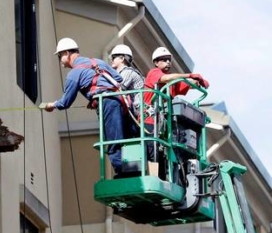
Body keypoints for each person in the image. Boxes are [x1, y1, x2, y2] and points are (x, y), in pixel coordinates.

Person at [43, 38, 128, 175]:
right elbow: (118, 79)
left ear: (66, 53)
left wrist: (52, 105)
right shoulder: (97, 62)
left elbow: (65, 102)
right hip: (119, 101)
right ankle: (131, 169)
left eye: (60, 55)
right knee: (123, 136)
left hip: (107, 103)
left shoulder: (74, 73)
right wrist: (97, 93)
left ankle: (122, 173)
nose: (60, 59)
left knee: (113, 139)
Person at [143, 46, 209, 179]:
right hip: (148, 121)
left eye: (169, 60)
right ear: (156, 62)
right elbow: (166, 79)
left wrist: (197, 82)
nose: (168, 62)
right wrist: (188, 75)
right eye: (164, 60)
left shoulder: (171, 83)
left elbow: (183, 83)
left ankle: (166, 177)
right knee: (152, 149)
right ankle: (154, 177)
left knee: (164, 151)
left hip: (162, 123)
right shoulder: (154, 73)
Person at [110, 44, 144, 136]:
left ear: (122, 58)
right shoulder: (122, 73)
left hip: (136, 113)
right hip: (134, 112)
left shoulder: (127, 72)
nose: (111, 60)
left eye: (113, 57)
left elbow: (118, 88)